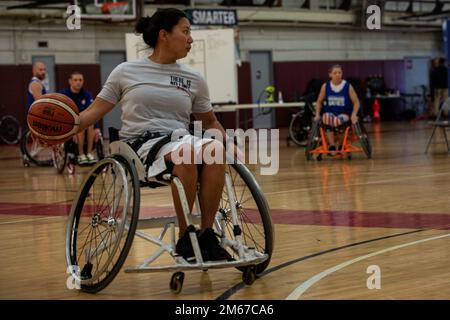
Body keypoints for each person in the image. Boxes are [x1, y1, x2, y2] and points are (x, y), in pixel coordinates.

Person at [50, 8, 232, 262]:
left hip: (180, 139)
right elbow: (92, 113)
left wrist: (225, 142)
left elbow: (210, 121)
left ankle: (207, 234)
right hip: (141, 145)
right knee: (189, 152)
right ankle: (185, 236)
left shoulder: (194, 78)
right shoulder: (126, 71)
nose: (191, 39)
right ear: (164, 35)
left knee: (215, 151)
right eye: (186, 31)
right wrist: (58, 131)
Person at [314, 64, 360, 152]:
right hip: (330, 113)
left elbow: (356, 102)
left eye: (339, 72)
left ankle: (341, 144)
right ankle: (332, 145)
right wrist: (317, 114)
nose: (338, 74)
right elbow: (319, 102)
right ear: (330, 75)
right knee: (326, 117)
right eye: (335, 73)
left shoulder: (347, 86)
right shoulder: (325, 86)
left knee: (337, 121)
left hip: (344, 114)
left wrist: (354, 115)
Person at [59, 71, 99, 164]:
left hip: (83, 123)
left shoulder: (87, 94)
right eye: (75, 80)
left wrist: (97, 128)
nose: (78, 82)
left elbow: (93, 112)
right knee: (80, 123)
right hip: (69, 125)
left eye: (80, 80)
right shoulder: (63, 94)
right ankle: (81, 154)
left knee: (89, 123)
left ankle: (89, 153)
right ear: (70, 81)